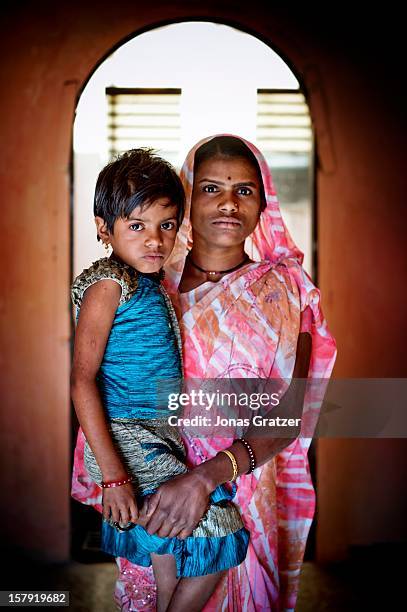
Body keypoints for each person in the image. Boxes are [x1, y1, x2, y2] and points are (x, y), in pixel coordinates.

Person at [71, 136, 337, 611]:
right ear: (188, 196)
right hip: (147, 484)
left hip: (245, 489)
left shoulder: (288, 292)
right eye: (211, 189)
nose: (229, 204)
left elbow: (289, 413)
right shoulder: (146, 279)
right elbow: (99, 379)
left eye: (245, 190)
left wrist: (203, 480)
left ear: (264, 201)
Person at [70, 148, 250, 612]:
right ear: (103, 227)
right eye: (137, 226)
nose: (154, 240)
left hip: (156, 435)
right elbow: (81, 380)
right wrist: (112, 477)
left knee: (169, 548)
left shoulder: (148, 281)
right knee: (217, 525)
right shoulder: (108, 284)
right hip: (128, 437)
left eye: (166, 225)